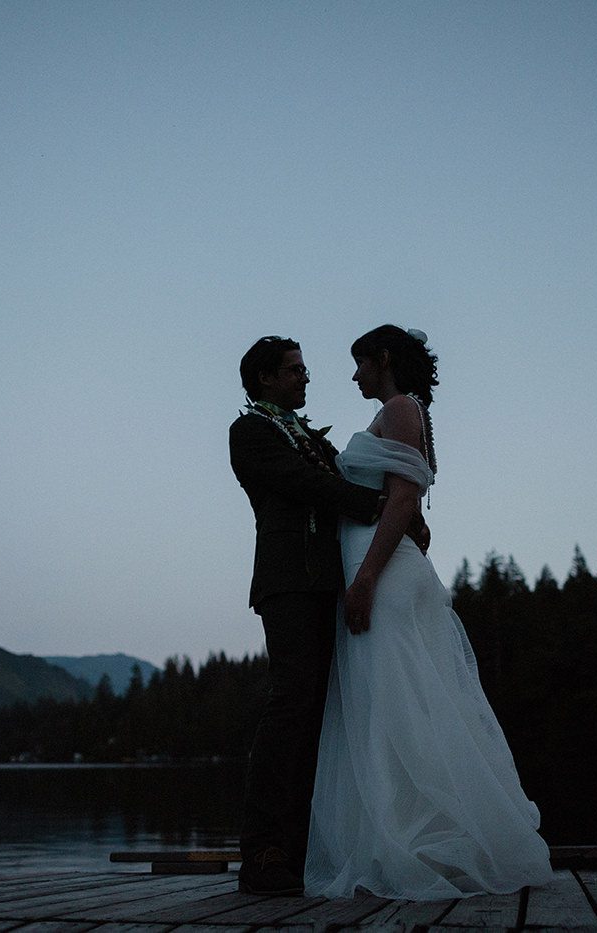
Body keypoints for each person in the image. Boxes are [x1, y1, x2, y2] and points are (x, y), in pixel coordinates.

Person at [304, 325, 553, 899]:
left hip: (383, 576)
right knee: (396, 705)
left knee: (396, 706)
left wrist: (365, 579)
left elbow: (403, 498)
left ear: (383, 358)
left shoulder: (399, 408)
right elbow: (405, 499)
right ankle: (409, 842)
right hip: (383, 567)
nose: (354, 376)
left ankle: (415, 846)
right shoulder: (406, 412)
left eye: (360, 363)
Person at [229, 335, 429, 896]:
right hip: (289, 583)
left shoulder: (312, 437)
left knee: (323, 716)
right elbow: (307, 484)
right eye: (294, 369)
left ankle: (302, 852)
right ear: (265, 378)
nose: (306, 376)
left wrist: (403, 514)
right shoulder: (251, 432)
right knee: (290, 705)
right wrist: (379, 506)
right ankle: (262, 853)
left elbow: (348, 478)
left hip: (330, 584)